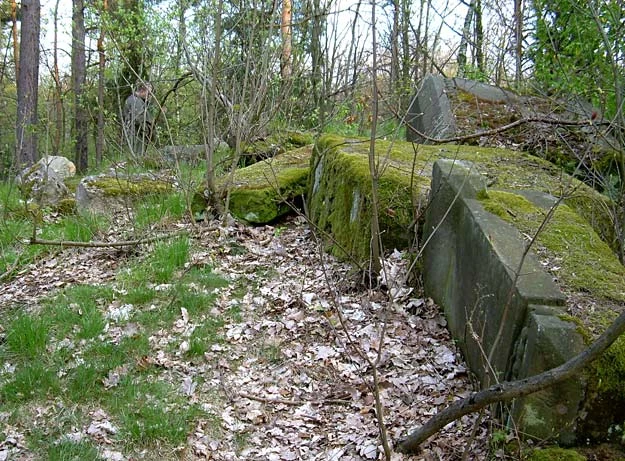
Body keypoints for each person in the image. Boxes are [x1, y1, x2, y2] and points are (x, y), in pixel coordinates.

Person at [123, 82, 154, 157]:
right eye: (149, 93)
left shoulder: (136, 100)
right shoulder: (135, 101)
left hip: (135, 134)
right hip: (135, 135)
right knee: (137, 157)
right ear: (142, 91)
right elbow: (138, 119)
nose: (150, 96)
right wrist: (147, 132)